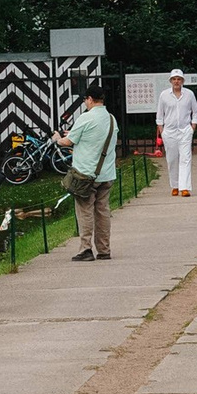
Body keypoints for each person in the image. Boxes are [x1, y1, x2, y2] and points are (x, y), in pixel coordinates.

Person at [55, 82, 119, 260]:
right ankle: (104, 249)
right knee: (103, 211)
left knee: (85, 212)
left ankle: (85, 249)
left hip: (86, 175)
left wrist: (58, 138)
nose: (85, 103)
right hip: (106, 173)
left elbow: (67, 142)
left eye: (86, 100)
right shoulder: (112, 119)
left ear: (90, 99)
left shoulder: (85, 118)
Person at [154, 69, 197, 196]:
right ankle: (175, 185)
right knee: (172, 159)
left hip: (185, 130)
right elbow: (159, 114)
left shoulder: (189, 94)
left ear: (182, 81)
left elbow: (195, 112)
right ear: (170, 81)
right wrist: (162, 130)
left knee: (186, 158)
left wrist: (193, 127)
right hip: (169, 132)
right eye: (174, 79)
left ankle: (184, 187)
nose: (176, 81)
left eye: (179, 79)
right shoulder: (164, 95)